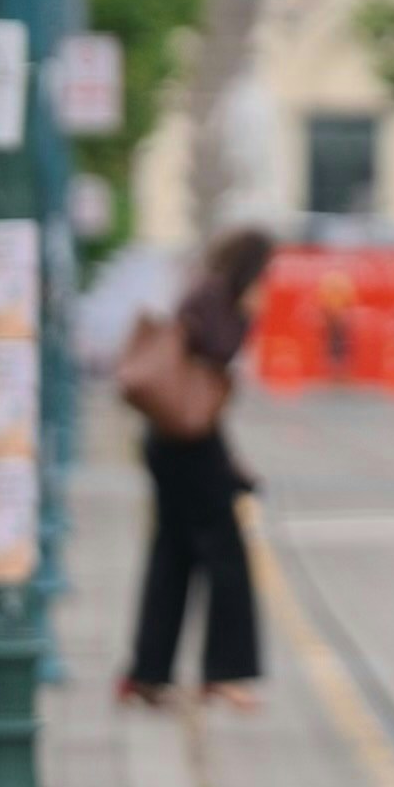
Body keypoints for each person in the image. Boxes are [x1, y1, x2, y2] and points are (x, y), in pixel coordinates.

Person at [120, 225, 273, 708]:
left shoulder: (202, 288)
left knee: (174, 556)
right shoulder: (213, 295)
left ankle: (148, 673)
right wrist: (248, 316)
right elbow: (216, 350)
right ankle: (225, 673)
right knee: (225, 556)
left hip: (177, 444)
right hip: (187, 447)